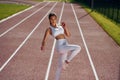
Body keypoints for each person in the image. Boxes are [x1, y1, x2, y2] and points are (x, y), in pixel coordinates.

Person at [41, 13, 81, 80]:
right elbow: (44, 39)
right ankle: (67, 62)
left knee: (59, 67)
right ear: (49, 20)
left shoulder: (60, 26)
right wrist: (43, 45)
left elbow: (68, 35)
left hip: (65, 44)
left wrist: (65, 27)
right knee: (78, 48)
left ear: (56, 19)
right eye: (51, 19)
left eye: (54, 19)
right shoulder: (49, 29)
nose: (53, 20)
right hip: (60, 46)